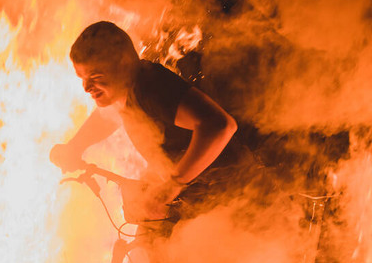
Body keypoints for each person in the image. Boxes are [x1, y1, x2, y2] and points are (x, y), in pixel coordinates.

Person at [51, 21, 238, 229]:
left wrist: (172, 185)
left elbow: (219, 126)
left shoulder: (151, 87)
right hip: (201, 198)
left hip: (234, 198)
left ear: (122, 64)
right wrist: (75, 147)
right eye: (82, 77)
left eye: (95, 76)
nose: (86, 87)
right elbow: (107, 116)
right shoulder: (126, 91)